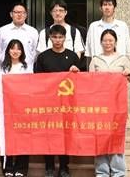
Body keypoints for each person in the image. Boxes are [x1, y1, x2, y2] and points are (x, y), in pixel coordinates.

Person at [34, 25, 80, 177]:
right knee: (48, 134)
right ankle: (49, 167)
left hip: (67, 104)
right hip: (48, 104)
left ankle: (64, 167)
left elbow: (80, 80)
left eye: (60, 37)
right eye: (54, 37)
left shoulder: (73, 57)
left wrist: (76, 72)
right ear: (50, 38)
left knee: (65, 135)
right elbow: (38, 80)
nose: (57, 40)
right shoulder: (43, 57)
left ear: (65, 38)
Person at [90, 29, 130, 177]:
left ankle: (118, 172)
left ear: (115, 42)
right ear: (101, 42)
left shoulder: (123, 59)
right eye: (105, 40)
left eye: (110, 40)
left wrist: (129, 74)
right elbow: (89, 82)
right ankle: (101, 172)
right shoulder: (95, 60)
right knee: (100, 139)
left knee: (116, 139)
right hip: (100, 107)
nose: (107, 43)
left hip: (117, 108)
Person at [0, 39, 30, 177]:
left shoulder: (27, 67)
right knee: (6, 137)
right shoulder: (2, 69)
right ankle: (8, 167)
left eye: (18, 48)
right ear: (8, 51)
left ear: (22, 51)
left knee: (23, 137)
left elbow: (31, 86)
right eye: (12, 48)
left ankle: (21, 168)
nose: (15, 51)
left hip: (22, 108)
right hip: (6, 108)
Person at [0, 3, 39, 69]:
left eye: (22, 12)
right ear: (11, 14)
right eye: (16, 12)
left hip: (27, 71)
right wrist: (5, 65)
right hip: (6, 70)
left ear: (26, 15)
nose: (19, 15)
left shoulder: (33, 31)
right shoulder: (2, 30)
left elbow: (36, 53)